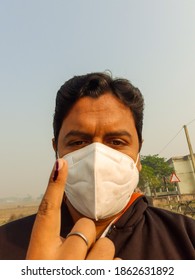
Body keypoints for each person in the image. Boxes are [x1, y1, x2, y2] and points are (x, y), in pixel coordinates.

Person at [0, 72, 194, 260]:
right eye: (78, 142)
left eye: (117, 142)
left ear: (138, 155)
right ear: (56, 150)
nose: (96, 160)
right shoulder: (7, 244)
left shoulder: (187, 239)